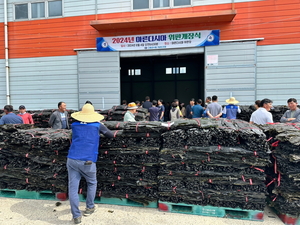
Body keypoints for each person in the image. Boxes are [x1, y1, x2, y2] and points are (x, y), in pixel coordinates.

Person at [67, 103, 113, 224]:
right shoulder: (97, 126)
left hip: (72, 159)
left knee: (73, 188)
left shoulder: (74, 125)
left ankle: (76, 216)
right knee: (91, 183)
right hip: (88, 160)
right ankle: (89, 208)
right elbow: (110, 135)